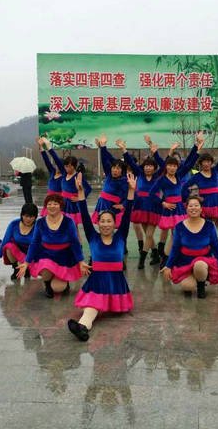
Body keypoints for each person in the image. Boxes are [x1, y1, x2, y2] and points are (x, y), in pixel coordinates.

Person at [67, 172, 137, 342]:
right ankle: (82, 328)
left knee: (94, 308)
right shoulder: (93, 237)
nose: (105, 224)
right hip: (96, 282)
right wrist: (81, 192)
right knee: (91, 309)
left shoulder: (121, 236)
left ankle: (82, 327)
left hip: (115, 284)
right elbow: (84, 215)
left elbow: (127, 214)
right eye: (102, 221)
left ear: (114, 223)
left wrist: (131, 191)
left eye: (109, 221)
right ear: (98, 223)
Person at [17, 194, 89, 298]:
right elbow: (34, 243)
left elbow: (74, 242)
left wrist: (81, 261)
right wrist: (26, 262)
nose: (52, 206)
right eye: (49, 204)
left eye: (55, 204)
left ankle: (64, 281)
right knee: (46, 268)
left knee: (58, 288)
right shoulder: (40, 222)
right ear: (46, 206)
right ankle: (47, 284)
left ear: (60, 206)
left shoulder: (68, 221)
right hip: (46, 253)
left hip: (64, 256)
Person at [161, 196, 218, 298]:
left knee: (199, 265)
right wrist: (168, 265)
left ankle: (201, 285)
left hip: (203, 261)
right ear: (186, 208)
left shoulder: (209, 225)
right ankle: (195, 276)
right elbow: (175, 248)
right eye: (190, 206)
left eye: (196, 205)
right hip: (185, 262)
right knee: (187, 287)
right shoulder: (179, 226)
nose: (193, 208)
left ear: (201, 208)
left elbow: (215, 246)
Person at [149, 133, 203, 267]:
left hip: (179, 208)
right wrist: (163, 203)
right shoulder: (162, 179)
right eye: (170, 165)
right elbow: (151, 194)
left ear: (177, 167)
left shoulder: (178, 176)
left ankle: (170, 259)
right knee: (174, 235)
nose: (172, 168)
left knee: (176, 235)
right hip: (170, 210)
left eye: (174, 166)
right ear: (166, 166)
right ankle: (166, 260)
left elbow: (189, 163)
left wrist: (197, 148)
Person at [117, 136, 163, 269]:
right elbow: (130, 162)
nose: (148, 168)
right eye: (146, 166)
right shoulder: (139, 174)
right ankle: (155, 254)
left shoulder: (158, 176)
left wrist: (154, 151)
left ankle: (142, 259)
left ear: (154, 168)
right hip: (140, 208)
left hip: (154, 208)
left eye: (151, 166)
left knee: (149, 235)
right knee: (148, 235)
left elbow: (164, 166)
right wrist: (124, 149)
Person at [0, 203, 38, 280]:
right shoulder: (14, 224)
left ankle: (27, 268)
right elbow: (5, 240)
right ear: (22, 215)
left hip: (33, 252)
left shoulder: (38, 225)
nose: (28, 219)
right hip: (19, 251)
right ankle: (16, 269)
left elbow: (39, 244)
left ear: (35, 217)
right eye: (26, 216)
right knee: (8, 246)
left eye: (31, 217)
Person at [92, 135, 129, 228]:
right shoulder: (109, 174)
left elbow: (131, 195)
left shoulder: (124, 180)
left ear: (122, 171)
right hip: (102, 204)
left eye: (118, 169)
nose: (115, 170)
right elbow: (105, 160)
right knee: (102, 228)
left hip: (113, 207)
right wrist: (103, 146)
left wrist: (123, 205)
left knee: (111, 228)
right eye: (113, 168)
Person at [37, 137, 63, 216]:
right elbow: (46, 161)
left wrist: (49, 148)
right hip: (49, 199)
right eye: (56, 165)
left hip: (58, 200)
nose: (57, 167)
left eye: (59, 165)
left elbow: (56, 159)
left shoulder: (64, 175)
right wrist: (42, 148)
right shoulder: (52, 171)